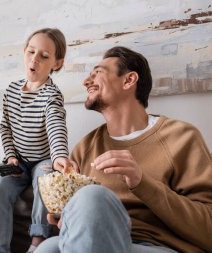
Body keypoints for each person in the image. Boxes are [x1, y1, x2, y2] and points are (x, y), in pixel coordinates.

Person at [35, 46, 212, 253]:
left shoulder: (181, 137)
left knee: (93, 197)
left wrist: (142, 182)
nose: (86, 81)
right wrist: (68, 217)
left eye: (98, 72)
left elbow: (208, 230)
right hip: (95, 242)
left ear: (129, 80)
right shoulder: (85, 148)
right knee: (48, 248)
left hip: (157, 245)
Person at [0, 28, 78, 253]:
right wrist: (10, 156)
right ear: (24, 53)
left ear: (56, 63)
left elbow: (56, 128)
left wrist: (59, 157)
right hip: (18, 160)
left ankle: (37, 242)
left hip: (43, 159)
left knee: (45, 179)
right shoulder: (11, 91)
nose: (34, 59)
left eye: (44, 56)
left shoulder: (51, 96)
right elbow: (5, 127)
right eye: (31, 52)